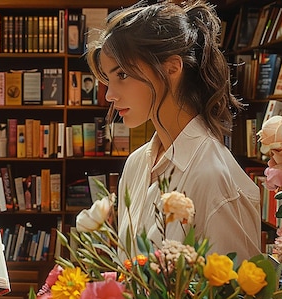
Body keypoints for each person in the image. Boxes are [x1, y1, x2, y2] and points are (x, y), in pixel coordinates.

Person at [86, 0, 261, 261]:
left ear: (172, 67)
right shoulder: (137, 164)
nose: (109, 95)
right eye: (108, 80)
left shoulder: (216, 181)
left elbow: (236, 298)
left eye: (122, 75)